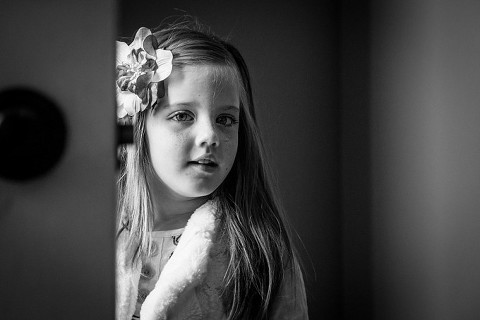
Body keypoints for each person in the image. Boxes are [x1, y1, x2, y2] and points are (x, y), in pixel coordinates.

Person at [115, 19, 308, 320]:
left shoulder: (261, 254)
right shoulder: (85, 239)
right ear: (138, 127)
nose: (211, 135)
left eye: (225, 120)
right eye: (182, 115)